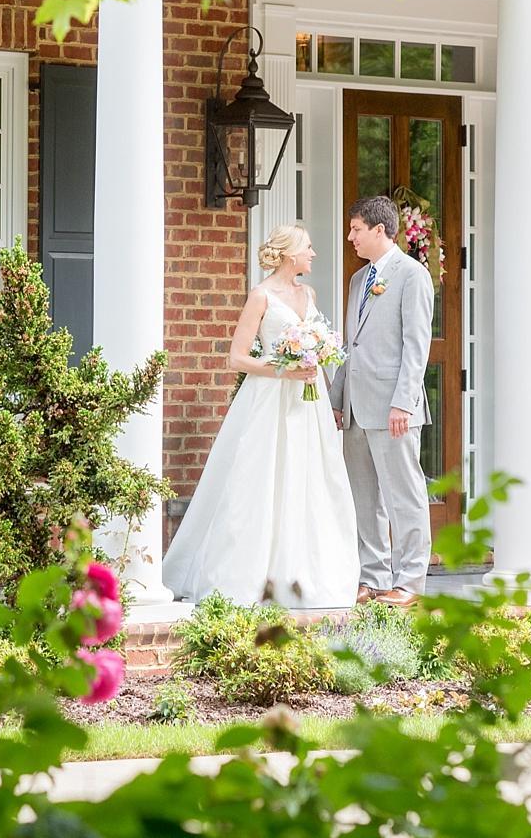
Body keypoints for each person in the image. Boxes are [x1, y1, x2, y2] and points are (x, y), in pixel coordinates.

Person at [161, 224, 358, 609]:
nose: (313, 254)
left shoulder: (309, 293)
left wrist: (317, 360)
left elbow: (316, 345)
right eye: (309, 247)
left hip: (309, 401)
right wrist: (283, 369)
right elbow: (238, 357)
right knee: (262, 477)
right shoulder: (261, 297)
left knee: (312, 479)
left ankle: (308, 575)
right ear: (289, 254)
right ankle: (248, 575)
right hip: (270, 399)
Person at [330, 196, 435, 608]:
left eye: (356, 229)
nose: (351, 236)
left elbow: (416, 345)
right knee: (364, 497)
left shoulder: (412, 276)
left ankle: (410, 581)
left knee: (403, 495)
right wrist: (339, 398)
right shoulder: (359, 281)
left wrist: (404, 403)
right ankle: (371, 578)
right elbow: (350, 345)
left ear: (379, 230)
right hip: (356, 407)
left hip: (394, 408)